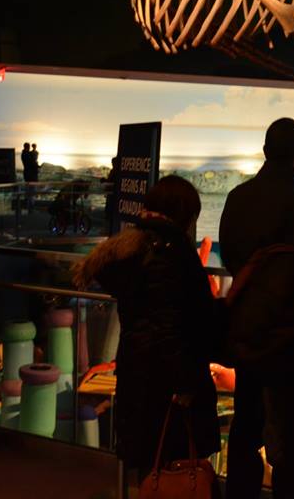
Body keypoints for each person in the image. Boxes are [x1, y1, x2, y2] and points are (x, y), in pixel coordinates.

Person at [72, 176, 220, 483]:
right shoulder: (172, 253)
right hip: (167, 382)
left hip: (136, 370)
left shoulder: (131, 250)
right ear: (182, 214)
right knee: (176, 463)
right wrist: (186, 383)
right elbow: (173, 326)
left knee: (148, 462)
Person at [219, 117, 294, 499]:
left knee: (245, 427)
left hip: (246, 329)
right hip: (289, 339)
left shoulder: (237, 199)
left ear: (264, 151)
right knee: (288, 439)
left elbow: (231, 257)